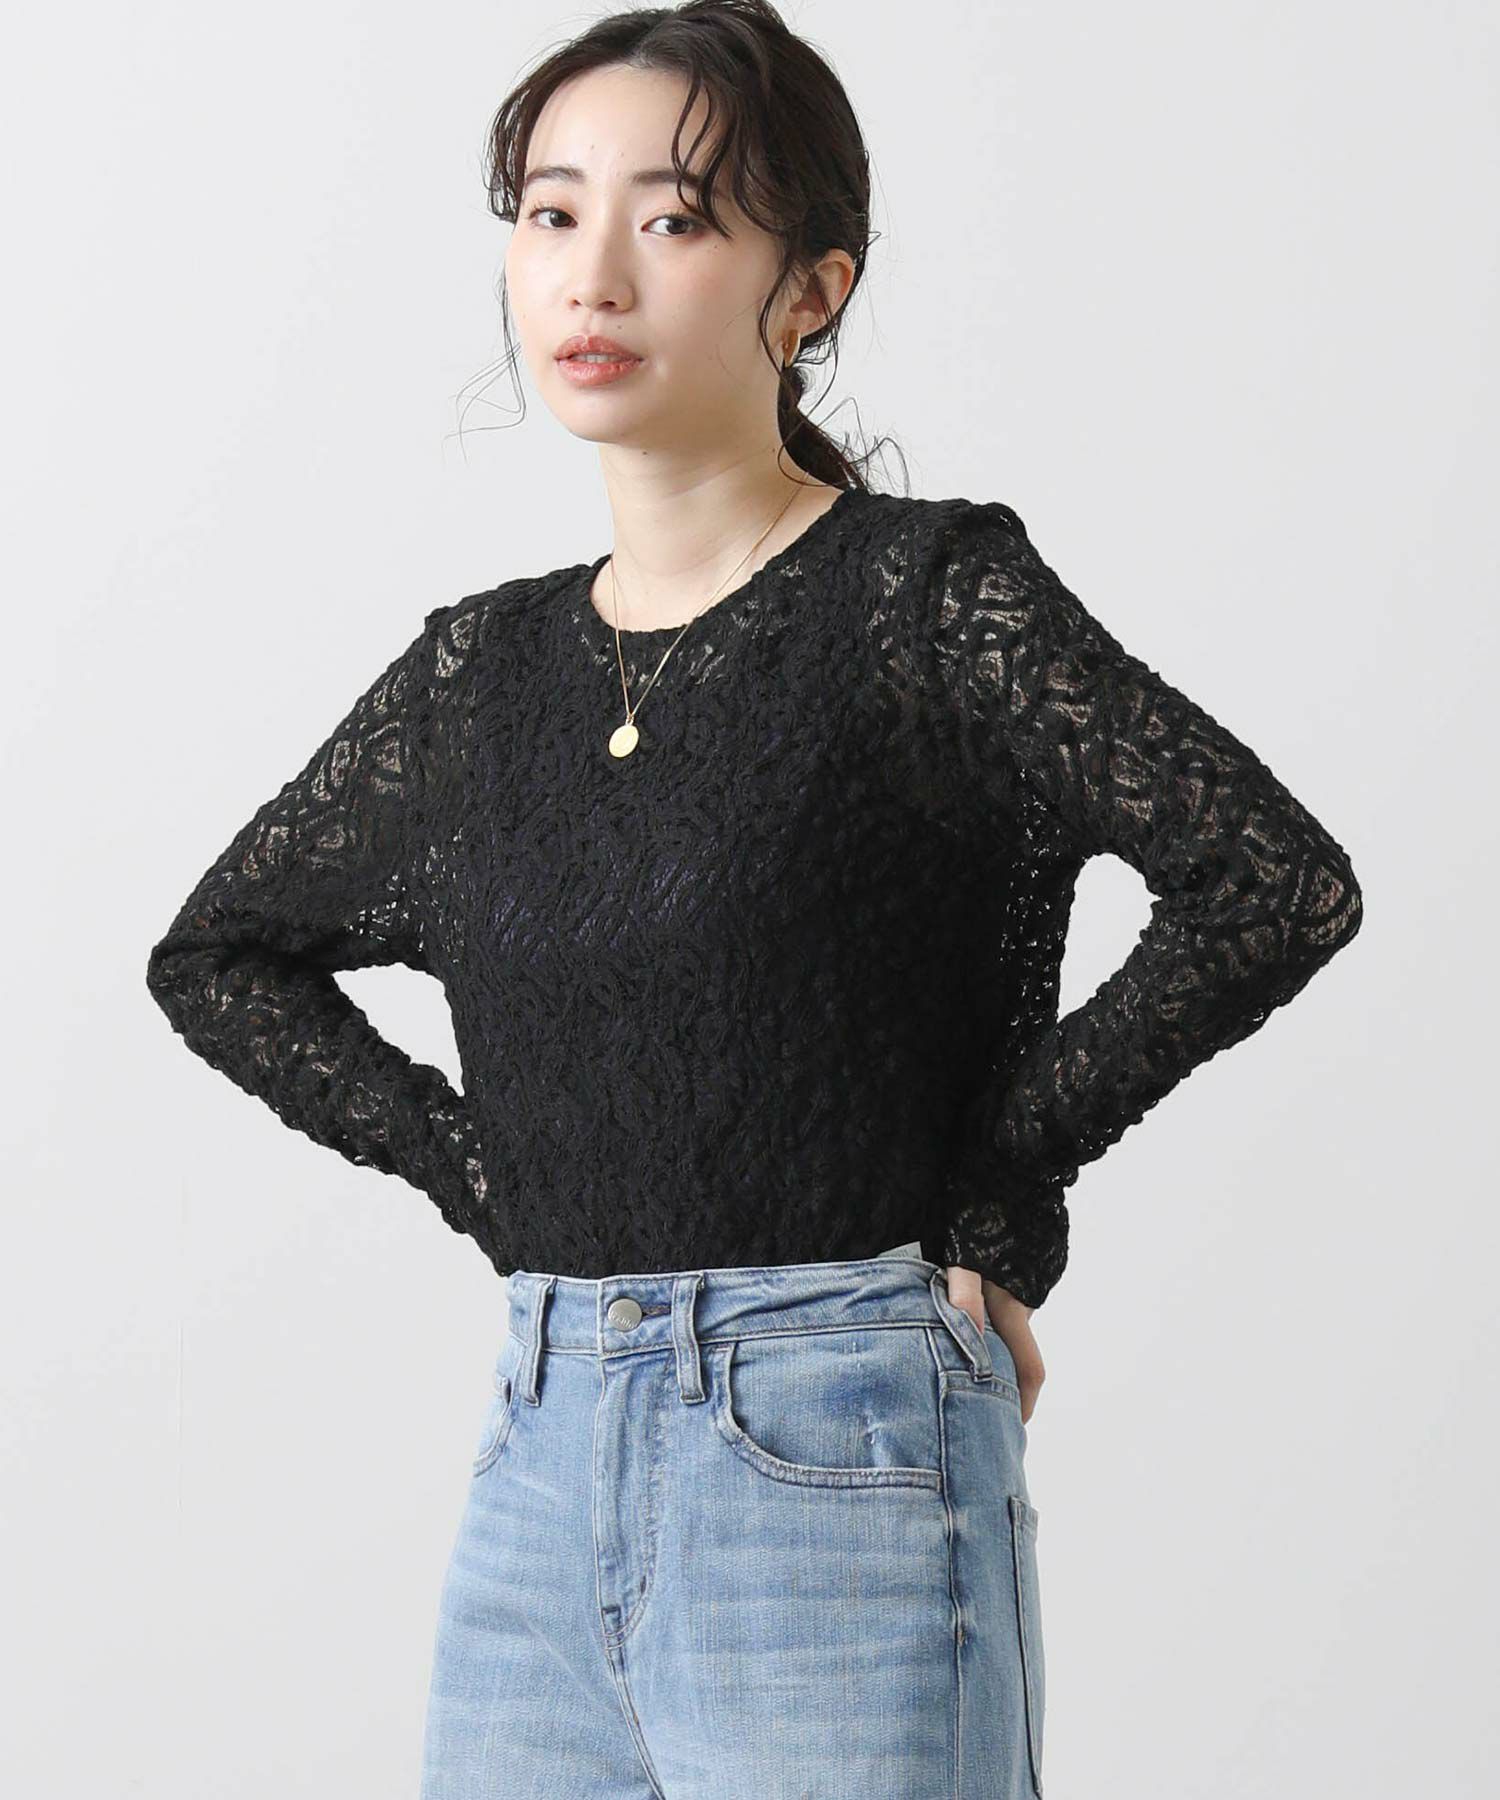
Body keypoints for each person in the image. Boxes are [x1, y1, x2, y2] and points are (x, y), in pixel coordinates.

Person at [143, 3, 1364, 1794]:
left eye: (675, 217)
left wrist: (996, 1176)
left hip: (841, 1454)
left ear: (811, 292)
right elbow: (218, 957)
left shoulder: (924, 602)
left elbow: (1271, 880)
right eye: (551, 213)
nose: (594, 274)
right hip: (539, 1460)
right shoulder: (478, 676)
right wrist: (477, 1170)